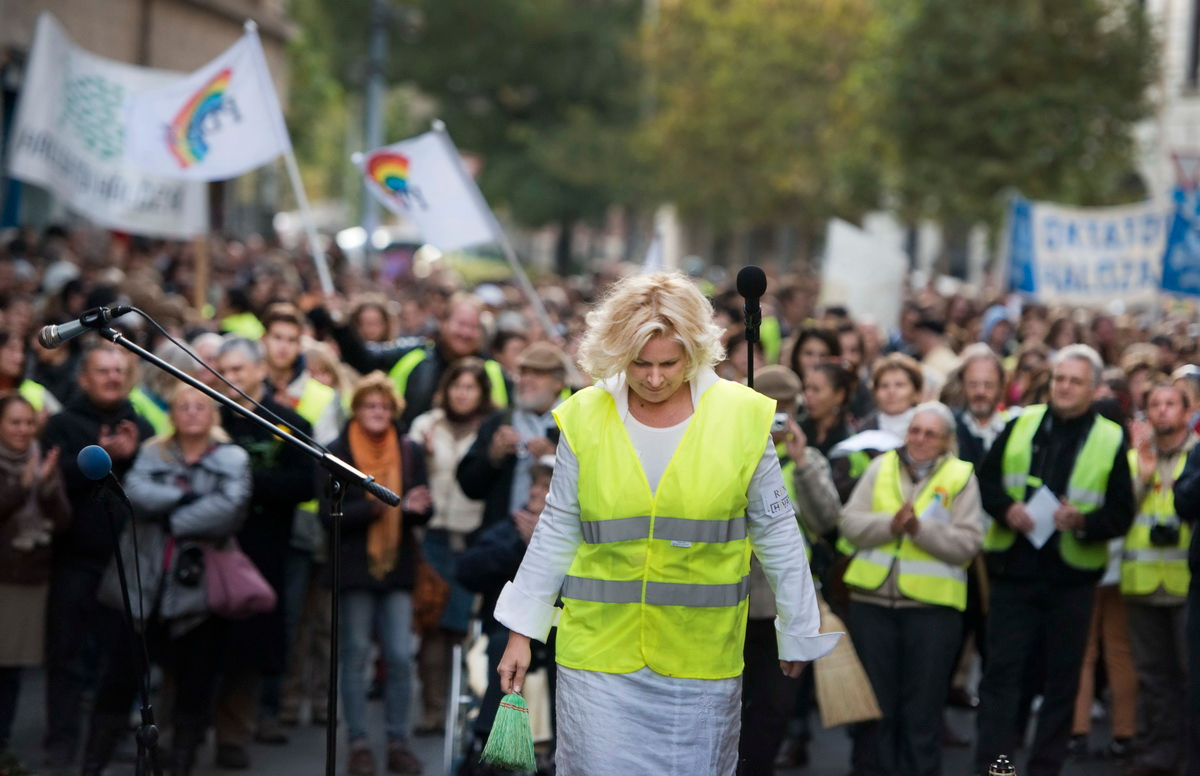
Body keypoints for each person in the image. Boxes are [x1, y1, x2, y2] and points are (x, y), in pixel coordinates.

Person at [492, 272, 838, 775]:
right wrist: (521, 631)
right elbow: (558, 526)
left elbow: (777, 529)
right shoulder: (584, 416)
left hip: (699, 659)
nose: (654, 379)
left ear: (695, 352)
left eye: (668, 364)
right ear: (615, 353)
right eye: (639, 364)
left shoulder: (743, 417)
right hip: (596, 655)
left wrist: (799, 625)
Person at [973, 345, 1135, 776]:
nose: (1063, 387)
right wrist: (1007, 509)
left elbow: (1122, 513)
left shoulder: (1110, 437)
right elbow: (986, 483)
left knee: (1062, 683)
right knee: (1003, 678)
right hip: (1015, 573)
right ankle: (995, 769)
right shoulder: (1020, 424)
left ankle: (1044, 768)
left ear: (1093, 388)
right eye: (1059, 378)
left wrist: (1083, 520)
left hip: (1072, 581)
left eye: (1074, 381)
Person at [83, 386, 251, 776]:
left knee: (195, 682)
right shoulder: (150, 451)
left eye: (200, 406)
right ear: (171, 414)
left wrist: (173, 518)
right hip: (145, 583)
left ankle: (180, 765)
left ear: (213, 416)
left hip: (197, 590)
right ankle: (91, 765)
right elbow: (136, 493)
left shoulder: (233, 457)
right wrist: (188, 500)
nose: (192, 412)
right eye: (183, 406)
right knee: (119, 677)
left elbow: (229, 510)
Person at [840, 401, 983, 776]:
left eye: (930, 434)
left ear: (947, 441)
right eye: (915, 430)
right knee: (873, 710)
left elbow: (968, 544)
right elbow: (850, 524)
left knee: (922, 713)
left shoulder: (961, 476)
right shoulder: (881, 466)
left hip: (932, 612)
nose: (919, 439)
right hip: (872, 605)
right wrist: (892, 524)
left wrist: (919, 529)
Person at [41, 344, 155, 767]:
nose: (111, 377)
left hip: (126, 563)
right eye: (102, 371)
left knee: (119, 659)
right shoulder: (62, 425)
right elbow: (52, 482)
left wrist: (131, 456)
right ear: (83, 379)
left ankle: (107, 740)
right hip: (74, 558)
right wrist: (101, 459)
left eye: (118, 370)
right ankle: (61, 741)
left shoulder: (141, 427)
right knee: (66, 657)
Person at [211, 337, 316, 769]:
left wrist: (247, 484)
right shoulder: (207, 419)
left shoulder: (288, 423)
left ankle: (234, 734)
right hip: (209, 550)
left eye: (239, 370)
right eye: (225, 369)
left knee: (251, 648)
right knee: (201, 645)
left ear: (259, 372)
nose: (231, 378)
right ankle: (184, 730)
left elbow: (303, 484)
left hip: (265, 550)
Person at [321, 372, 432, 776]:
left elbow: (419, 506)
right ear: (356, 408)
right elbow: (325, 516)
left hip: (397, 566)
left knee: (401, 657)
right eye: (370, 405)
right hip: (355, 569)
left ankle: (398, 740)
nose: (377, 412)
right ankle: (358, 743)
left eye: (384, 406)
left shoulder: (409, 450)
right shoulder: (337, 451)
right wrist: (374, 508)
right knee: (355, 656)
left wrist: (421, 508)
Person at [740, 366, 841, 775]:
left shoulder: (808, 459)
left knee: (775, 708)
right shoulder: (736, 454)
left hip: (784, 608)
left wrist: (801, 463)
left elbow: (828, 519)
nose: (781, 418)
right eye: (773, 409)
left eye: (789, 408)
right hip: (738, 604)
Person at [258, 303, 344, 740]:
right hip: (256, 518)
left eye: (293, 340)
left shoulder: (321, 396)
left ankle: (278, 704)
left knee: (295, 616)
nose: (284, 347)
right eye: (277, 338)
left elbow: (327, 463)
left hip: (305, 520)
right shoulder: (242, 388)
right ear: (264, 341)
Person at [407, 358, 494, 735]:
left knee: (462, 628)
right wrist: (419, 455)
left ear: (482, 394)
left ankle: (466, 710)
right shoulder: (425, 425)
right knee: (432, 626)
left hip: (474, 539)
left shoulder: (493, 429)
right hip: (433, 538)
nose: (463, 393)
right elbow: (406, 476)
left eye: (471, 387)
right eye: (457, 385)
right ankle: (432, 708)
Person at [1122, 382, 1196, 776]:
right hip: (1143, 583)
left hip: (1186, 584)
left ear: (1188, 411)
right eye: (1155, 404)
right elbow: (1119, 512)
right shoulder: (1136, 459)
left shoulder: (1197, 457)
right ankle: (1157, 753)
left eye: (1171, 404)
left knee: (1190, 675)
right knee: (1152, 677)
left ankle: (1188, 754)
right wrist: (1143, 473)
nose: (1163, 411)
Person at [319, 292, 509, 428]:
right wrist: (341, 326)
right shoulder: (415, 353)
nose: (466, 333)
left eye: (473, 326)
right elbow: (364, 359)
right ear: (443, 323)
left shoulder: (494, 372)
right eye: (461, 324)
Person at [0, 395, 68, 760]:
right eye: (14, 422)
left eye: (29, 422)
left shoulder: (42, 460)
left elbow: (63, 522)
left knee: (11, 673)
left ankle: (4, 748)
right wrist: (21, 487)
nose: (23, 430)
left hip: (29, 580)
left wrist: (43, 487)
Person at [456, 342, 569, 534]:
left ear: (558, 383)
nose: (526, 380)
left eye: (538, 374)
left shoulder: (573, 425)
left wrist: (556, 458)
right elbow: (468, 486)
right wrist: (492, 457)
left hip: (555, 539)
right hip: (500, 541)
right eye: (523, 373)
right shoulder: (500, 422)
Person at [856, 353, 924, 440]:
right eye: (884, 386)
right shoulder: (863, 432)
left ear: (916, 392)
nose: (891, 391)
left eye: (899, 385)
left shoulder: (931, 428)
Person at [0, 329, 61, 418]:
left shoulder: (35, 391)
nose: (20, 358)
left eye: (22, 351)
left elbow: (65, 424)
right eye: (12, 349)